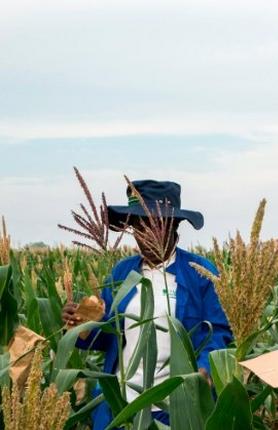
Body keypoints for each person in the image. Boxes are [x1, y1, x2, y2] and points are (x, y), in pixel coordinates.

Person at [62, 180, 232, 429]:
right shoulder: (123, 271)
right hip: (120, 405)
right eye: (137, 226)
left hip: (174, 407)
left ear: (173, 226)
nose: (144, 235)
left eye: (152, 226)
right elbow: (108, 336)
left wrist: (204, 373)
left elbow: (217, 334)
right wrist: (80, 326)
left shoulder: (199, 273)